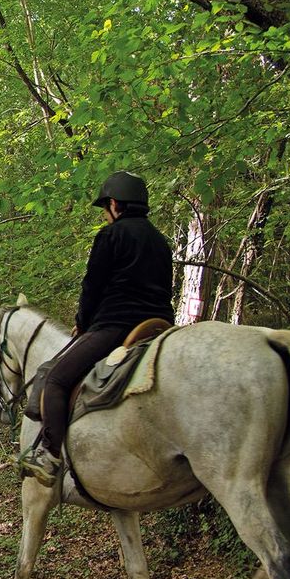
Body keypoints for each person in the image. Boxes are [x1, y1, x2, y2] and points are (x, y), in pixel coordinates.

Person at [20, 171, 175, 487]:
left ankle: (49, 455)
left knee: (56, 379)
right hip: (158, 326)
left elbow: (93, 285)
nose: (105, 215)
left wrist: (83, 321)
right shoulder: (161, 241)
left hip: (117, 325)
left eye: (105, 208)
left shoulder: (111, 236)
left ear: (115, 204)